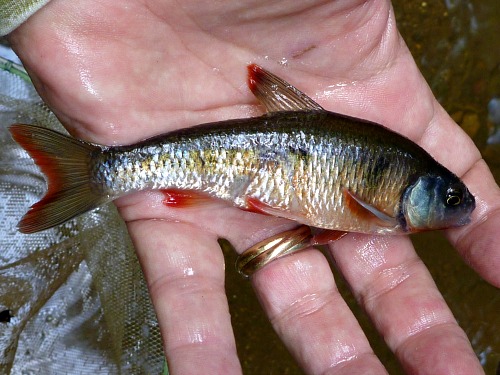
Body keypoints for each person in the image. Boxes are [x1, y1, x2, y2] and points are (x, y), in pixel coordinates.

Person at [4, 0, 499, 374]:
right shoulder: (386, 208)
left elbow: (335, 221)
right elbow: (343, 216)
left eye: (453, 198)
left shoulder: (390, 199)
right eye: (451, 197)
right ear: (421, 189)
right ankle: (99, 171)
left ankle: (99, 170)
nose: (460, 205)